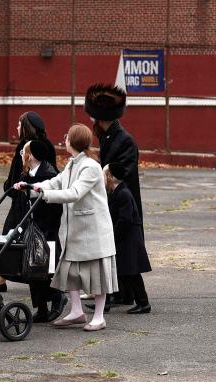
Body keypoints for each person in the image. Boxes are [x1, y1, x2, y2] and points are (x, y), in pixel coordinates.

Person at [32, 123, 118, 331]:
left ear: (74, 141)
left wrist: (46, 196)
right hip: (75, 229)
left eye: (67, 137)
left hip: (93, 230)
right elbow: (55, 182)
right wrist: (31, 187)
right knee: (70, 272)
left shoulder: (90, 166)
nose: (65, 140)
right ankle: (77, 312)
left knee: (97, 276)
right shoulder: (72, 163)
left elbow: (75, 192)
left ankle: (99, 317)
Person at [85, 83, 144, 306]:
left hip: (123, 203)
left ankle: (127, 295)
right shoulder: (109, 137)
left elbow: (123, 174)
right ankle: (119, 293)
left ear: (101, 118)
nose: (92, 123)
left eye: (94, 118)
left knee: (123, 247)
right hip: (113, 201)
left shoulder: (124, 140)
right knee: (116, 248)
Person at [0, 111, 56, 292]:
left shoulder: (27, 147)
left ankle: (5, 275)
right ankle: (3, 275)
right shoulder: (46, 146)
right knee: (17, 239)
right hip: (29, 201)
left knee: (18, 238)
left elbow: (16, 173)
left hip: (28, 202)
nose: (17, 127)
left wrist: (11, 187)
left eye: (20, 125)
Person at [11, 140, 67, 323]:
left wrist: (47, 227)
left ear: (32, 155)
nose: (21, 155)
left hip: (46, 229)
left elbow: (55, 206)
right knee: (32, 268)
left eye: (23, 152)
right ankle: (41, 307)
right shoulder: (27, 174)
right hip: (31, 228)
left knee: (48, 269)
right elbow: (21, 203)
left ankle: (58, 297)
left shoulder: (48, 174)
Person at [104, 162, 152, 314]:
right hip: (125, 237)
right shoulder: (116, 192)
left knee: (131, 272)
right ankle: (108, 302)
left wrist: (113, 236)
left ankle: (143, 303)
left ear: (111, 177)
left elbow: (125, 219)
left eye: (104, 174)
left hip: (128, 238)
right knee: (123, 271)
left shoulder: (123, 193)